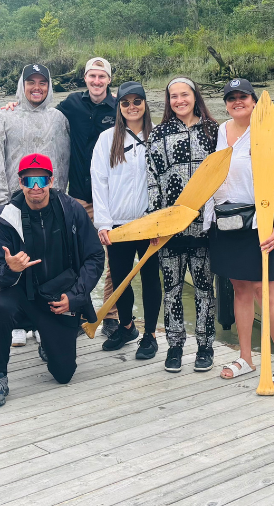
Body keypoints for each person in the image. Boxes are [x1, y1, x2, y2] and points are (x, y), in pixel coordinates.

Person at [205, 79, 274, 392]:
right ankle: (246, 357)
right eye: (232, 98)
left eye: (243, 97)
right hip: (229, 223)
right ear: (226, 104)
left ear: (254, 101)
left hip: (263, 224)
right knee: (240, 289)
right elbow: (214, 177)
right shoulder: (222, 132)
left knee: (267, 292)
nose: (238, 102)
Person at [0, 154, 104, 407]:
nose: (35, 187)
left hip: (58, 297)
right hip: (22, 294)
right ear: (20, 182)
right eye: (29, 180)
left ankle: (49, 342)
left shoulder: (71, 210)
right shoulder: (7, 217)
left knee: (64, 375)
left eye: (41, 180)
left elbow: (94, 257)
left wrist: (76, 296)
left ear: (51, 181)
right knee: (0, 309)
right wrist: (11, 269)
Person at [0, 63, 70, 347]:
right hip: (14, 198)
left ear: (49, 86)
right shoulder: (4, 116)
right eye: (30, 82)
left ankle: (42, 318)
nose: (37, 87)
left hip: (48, 200)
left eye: (42, 82)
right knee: (17, 259)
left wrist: (60, 197)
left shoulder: (59, 118)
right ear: (22, 85)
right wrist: (0, 202)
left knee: (47, 261)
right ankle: (17, 322)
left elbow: (64, 159)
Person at [145, 77, 219, 373]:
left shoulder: (213, 131)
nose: (179, 101)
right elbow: (152, 180)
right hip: (169, 229)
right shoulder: (159, 133)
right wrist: (155, 222)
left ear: (194, 96)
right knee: (172, 290)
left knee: (204, 291)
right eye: (173, 96)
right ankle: (174, 346)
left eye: (184, 95)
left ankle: (205, 346)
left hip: (204, 228)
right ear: (168, 101)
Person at [91, 82, 161, 358]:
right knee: (120, 277)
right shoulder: (107, 139)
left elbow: (165, 183)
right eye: (125, 103)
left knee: (150, 278)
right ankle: (127, 325)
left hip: (149, 223)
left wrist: (160, 223)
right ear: (119, 107)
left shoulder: (157, 136)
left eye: (137, 101)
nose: (132, 107)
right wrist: (104, 223)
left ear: (145, 103)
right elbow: (100, 182)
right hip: (118, 224)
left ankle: (151, 334)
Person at [56, 57, 121, 334]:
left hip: (111, 197)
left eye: (102, 77)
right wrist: (13, 105)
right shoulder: (71, 104)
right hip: (80, 196)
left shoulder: (120, 107)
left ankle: (111, 315)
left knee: (115, 258)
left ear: (109, 80)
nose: (97, 81)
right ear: (85, 78)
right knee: (73, 257)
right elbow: (43, 117)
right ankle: (73, 308)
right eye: (92, 76)